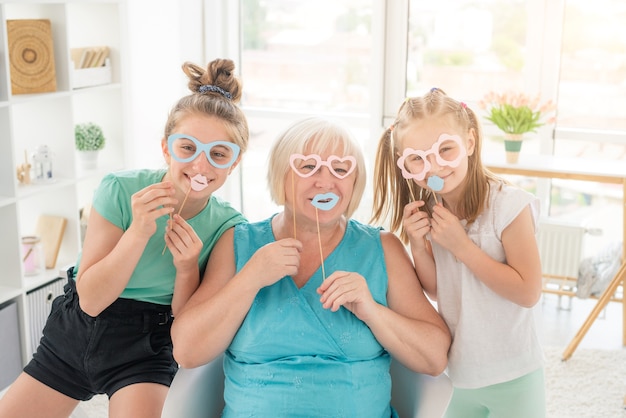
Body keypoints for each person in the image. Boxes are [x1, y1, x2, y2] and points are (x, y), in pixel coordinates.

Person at [0, 58, 249, 418]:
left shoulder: (228, 227)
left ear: (234, 163)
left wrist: (186, 268)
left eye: (219, 154)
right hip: (76, 330)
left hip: (147, 347)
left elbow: (186, 325)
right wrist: (137, 232)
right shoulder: (119, 190)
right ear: (166, 148)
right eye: (187, 148)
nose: (201, 165)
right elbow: (91, 299)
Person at [171, 116, 451, 417]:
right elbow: (187, 351)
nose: (325, 181)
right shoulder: (238, 242)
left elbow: (434, 358)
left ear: (354, 182)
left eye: (340, 169)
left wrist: (371, 310)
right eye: (308, 167)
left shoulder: (382, 248)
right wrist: (250, 278)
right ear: (281, 175)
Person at [371, 88, 545, 418]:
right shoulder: (433, 207)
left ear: (470, 142)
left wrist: (462, 246)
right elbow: (437, 289)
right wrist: (419, 245)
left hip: (514, 373)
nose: (433, 167)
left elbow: (527, 292)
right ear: (404, 164)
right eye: (417, 159)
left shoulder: (509, 206)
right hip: (462, 373)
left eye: (445, 149)